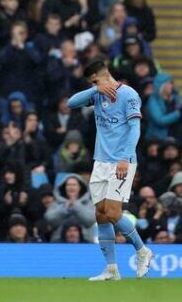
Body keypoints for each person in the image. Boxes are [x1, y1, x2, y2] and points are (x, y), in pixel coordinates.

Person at [67, 59, 152, 280]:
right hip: (100, 162)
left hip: (122, 162)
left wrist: (125, 158)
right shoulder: (96, 93)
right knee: (101, 215)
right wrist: (95, 88)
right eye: (92, 83)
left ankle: (143, 251)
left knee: (113, 213)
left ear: (104, 74)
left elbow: (135, 129)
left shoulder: (129, 95)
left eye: (95, 80)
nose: (95, 85)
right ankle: (111, 269)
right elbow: (71, 102)